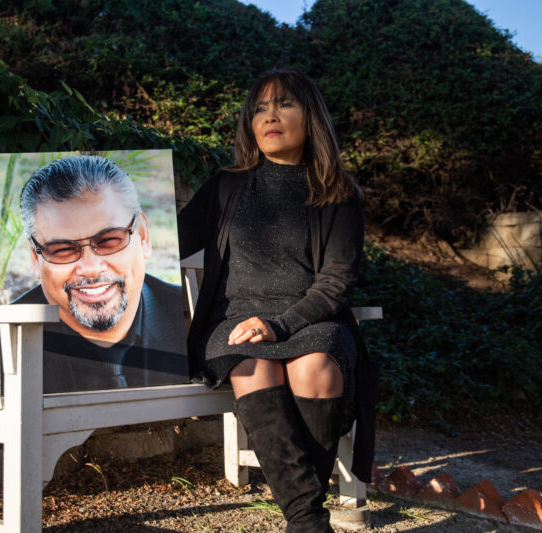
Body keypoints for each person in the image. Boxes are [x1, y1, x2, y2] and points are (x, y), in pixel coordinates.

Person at [178, 68, 377, 532]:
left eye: (284, 104)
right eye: (260, 108)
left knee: (316, 366)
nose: (270, 116)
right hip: (235, 321)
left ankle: (303, 520)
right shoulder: (226, 185)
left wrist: (281, 325)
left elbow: (336, 281)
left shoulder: (337, 193)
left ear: (311, 117)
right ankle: (309, 521)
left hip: (313, 320)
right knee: (252, 365)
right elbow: (168, 240)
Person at [14, 155, 187, 393]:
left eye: (108, 240)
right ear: (35, 259)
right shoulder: (12, 341)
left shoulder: (187, 315)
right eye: (62, 250)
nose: (91, 267)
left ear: (143, 237)